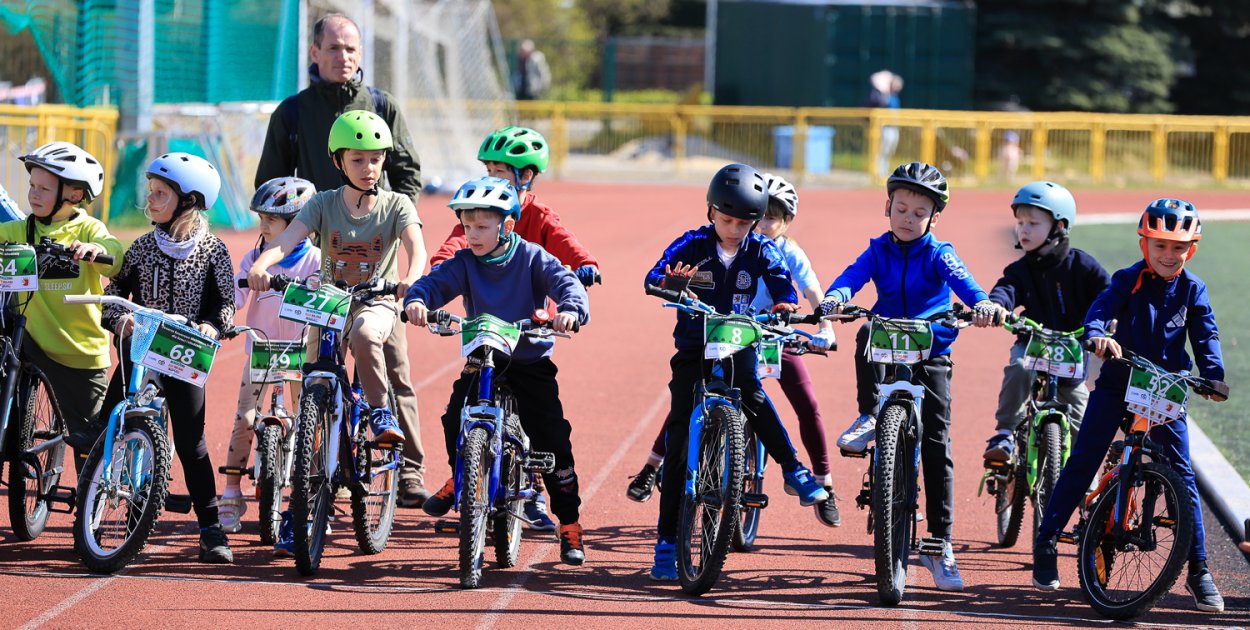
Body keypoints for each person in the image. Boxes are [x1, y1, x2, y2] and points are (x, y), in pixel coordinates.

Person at [255, 14, 430, 505]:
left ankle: (409, 469)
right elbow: (271, 187)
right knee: (315, 371)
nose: (343, 57)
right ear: (314, 53)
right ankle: (310, 473)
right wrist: (272, 255)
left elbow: (408, 174)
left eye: (351, 48)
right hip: (319, 258)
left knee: (393, 365)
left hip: (381, 260)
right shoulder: (291, 113)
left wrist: (392, 220)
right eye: (333, 48)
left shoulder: (381, 106)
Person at [1032, 199, 1231, 613]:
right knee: (1084, 459)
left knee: (1183, 477)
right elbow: (1102, 308)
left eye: (1178, 247)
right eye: (1160, 245)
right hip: (1119, 381)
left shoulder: (1193, 289)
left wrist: (1213, 373)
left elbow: (1206, 331)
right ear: (1145, 244)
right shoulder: (1128, 279)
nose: (1168, 255)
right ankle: (1047, 538)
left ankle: (1198, 569)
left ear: (1191, 249)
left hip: (1165, 391)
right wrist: (1097, 334)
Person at [644, 163, 829, 581]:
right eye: (725, 219)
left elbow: (783, 283)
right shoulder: (692, 244)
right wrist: (667, 284)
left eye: (744, 222)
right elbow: (654, 274)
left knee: (754, 397)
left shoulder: (761, 250)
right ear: (710, 211)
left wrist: (784, 304)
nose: (733, 228)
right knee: (676, 446)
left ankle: (794, 470)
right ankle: (667, 542)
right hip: (694, 349)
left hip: (739, 342)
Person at [819, 161, 999, 591]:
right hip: (886, 342)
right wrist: (835, 297)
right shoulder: (877, 250)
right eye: (901, 208)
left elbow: (965, 283)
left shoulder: (940, 253)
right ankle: (868, 415)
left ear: (933, 217)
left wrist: (983, 303)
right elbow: (852, 277)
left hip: (931, 348)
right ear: (888, 206)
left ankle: (939, 545)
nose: (908, 218)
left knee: (937, 444)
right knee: (863, 329)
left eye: (919, 213)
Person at [404, 176, 591, 565]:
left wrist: (571, 311)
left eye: (482, 227)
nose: (471, 234)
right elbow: (433, 284)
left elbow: (567, 284)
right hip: (484, 357)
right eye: (467, 226)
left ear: (508, 225)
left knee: (553, 439)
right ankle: (463, 474)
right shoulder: (466, 263)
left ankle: (570, 524)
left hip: (528, 361)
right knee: (455, 414)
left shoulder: (532, 257)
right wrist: (418, 301)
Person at [427, 125, 600, 531]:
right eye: (487, 168)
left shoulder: (537, 218)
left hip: (525, 328)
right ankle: (466, 478)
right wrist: (437, 269)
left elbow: (564, 244)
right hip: (486, 338)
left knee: (541, 427)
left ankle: (539, 495)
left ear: (525, 176)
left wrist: (585, 263)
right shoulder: (476, 213)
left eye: (501, 171)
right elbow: (453, 247)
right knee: (459, 414)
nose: (492, 176)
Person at [248, 110, 426, 451]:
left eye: (376, 159)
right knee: (315, 376)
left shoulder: (396, 205)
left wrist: (410, 280)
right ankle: (310, 472)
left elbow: (417, 249)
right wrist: (262, 265)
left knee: (363, 334)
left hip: (377, 301)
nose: (368, 168)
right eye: (357, 160)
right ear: (338, 161)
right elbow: (286, 242)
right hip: (329, 302)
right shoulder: (323, 203)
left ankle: (380, 412)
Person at [100, 152, 237, 563]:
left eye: (160, 194)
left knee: (191, 443)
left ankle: (211, 528)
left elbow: (225, 303)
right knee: (109, 420)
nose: (150, 201)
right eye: (150, 193)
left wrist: (213, 327)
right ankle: (101, 495)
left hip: (185, 353)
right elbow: (111, 299)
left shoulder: (214, 250)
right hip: (140, 350)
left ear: (189, 201)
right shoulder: (141, 248)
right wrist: (119, 321)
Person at [3, 142, 122, 468]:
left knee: (90, 448)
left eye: (44, 188)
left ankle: (92, 504)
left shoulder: (87, 228)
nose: (33, 194)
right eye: (31, 186)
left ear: (73, 194)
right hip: (30, 340)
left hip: (77, 352)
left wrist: (95, 250)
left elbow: (114, 253)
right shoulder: (23, 228)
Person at [218, 178, 322, 533]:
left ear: (297, 225)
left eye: (271, 221)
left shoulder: (314, 260)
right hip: (261, 351)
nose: (263, 228)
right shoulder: (255, 257)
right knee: (246, 416)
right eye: (261, 219)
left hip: (299, 353)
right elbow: (235, 294)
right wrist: (224, 317)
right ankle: (232, 492)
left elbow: (325, 298)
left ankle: (309, 491)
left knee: (308, 422)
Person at [981, 182, 1110, 462]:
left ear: (1059, 227)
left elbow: (1108, 294)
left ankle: (1084, 476)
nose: (1023, 230)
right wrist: (996, 306)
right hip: (1032, 345)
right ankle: (1005, 432)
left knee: (1080, 412)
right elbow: (1006, 289)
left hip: (1072, 352)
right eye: (1020, 222)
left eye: (1033, 223)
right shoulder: (1020, 269)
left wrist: (1111, 321)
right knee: (1018, 367)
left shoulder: (1082, 266)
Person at [869, 71, 903, 178]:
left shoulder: (895, 97)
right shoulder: (884, 96)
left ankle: (884, 171)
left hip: (894, 127)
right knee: (882, 150)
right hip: (885, 127)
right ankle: (878, 172)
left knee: (889, 150)